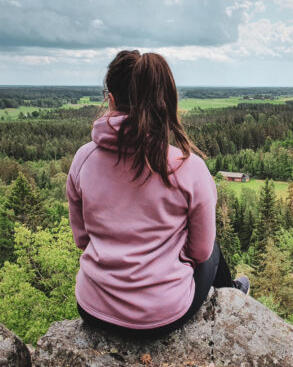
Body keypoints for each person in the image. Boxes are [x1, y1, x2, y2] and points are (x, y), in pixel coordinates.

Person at [66, 50, 249, 339]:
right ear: (161, 102)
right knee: (213, 250)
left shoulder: (83, 159)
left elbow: (82, 239)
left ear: (110, 99)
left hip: (93, 308)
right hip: (160, 316)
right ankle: (232, 297)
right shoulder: (187, 167)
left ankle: (232, 294)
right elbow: (199, 252)